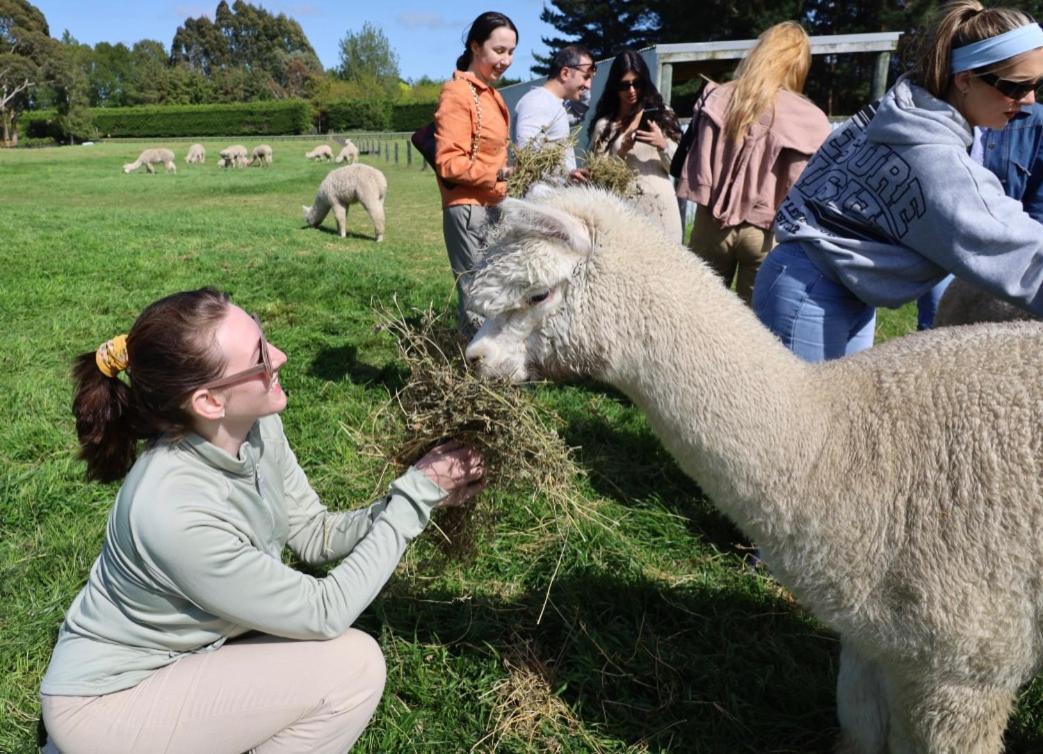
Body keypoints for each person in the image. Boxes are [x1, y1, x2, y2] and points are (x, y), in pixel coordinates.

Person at [38, 289, 485, 754]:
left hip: (187, 657)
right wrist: (415, 497)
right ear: (210, 402)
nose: (281, 356)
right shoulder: (172, 511)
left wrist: (416, 495)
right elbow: (324, 612)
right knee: (354, 667)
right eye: (260, 359)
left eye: (264, 338)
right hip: (108, 705)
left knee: (344, 663)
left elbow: (315, 532)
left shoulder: (253, 426)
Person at [754, 0, 1043, 361]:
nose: (1030, 100)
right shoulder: (935, 157)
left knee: (845, 416)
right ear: (966, 80)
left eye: (1036, 85)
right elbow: (1018, 252)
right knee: (796, 418)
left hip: (834, 282)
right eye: (1015, 87)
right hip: (812, 291)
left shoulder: (899, 109)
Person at [677, 22, 831, 304]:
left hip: (710, 225)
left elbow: (697, 162)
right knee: (753, 333)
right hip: (765, 234)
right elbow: (807, 191)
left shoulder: (718, 96)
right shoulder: (811, 120)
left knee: (695, 318)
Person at [917, 101, 1043, 328]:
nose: (1029, 97)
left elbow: (1038, 202)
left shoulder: (1036, 121)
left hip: (1006, 248)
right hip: (946, 244)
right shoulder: (935, 116)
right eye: (1016, 85)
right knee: (938, 323)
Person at [434, 11, 518, 335]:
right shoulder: (458, 92)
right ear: (475, 46)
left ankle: (475, 366)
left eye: (511, 52)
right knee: (478, 299)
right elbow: (449, 162)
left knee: (491, 294)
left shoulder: (490, 94)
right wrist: (498, 175)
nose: (506, 60)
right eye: (499, 50)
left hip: (491, 208)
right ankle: (479, 378)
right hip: (469, 210)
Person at [588, 50, 685, 242]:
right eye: (625, 85)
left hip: (662, 210)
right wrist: (621, 151)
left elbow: (680, 167)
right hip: (623, 212)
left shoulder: (662, 115)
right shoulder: (605, 126)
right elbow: (596, 175)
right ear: (614, 87)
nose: (632, 91)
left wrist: (662, 144)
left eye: (637, 84)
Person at [513, 44, 597, 182]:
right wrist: (565, 175)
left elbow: (579, 110)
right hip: (539, 201)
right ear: (565, 73)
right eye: (585, 77)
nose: (588, 86)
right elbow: (526, 159)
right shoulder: (539, 102)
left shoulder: (555, 104)